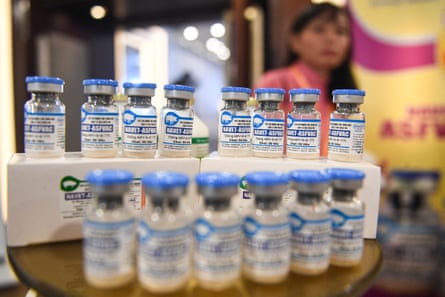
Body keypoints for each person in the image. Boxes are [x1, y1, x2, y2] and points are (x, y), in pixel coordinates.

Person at [255, 2, 357, 157]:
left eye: (340, 31)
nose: (330, 38)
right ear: (295, 41)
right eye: (319, 29)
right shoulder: (275, 84)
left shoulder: (344, 93)